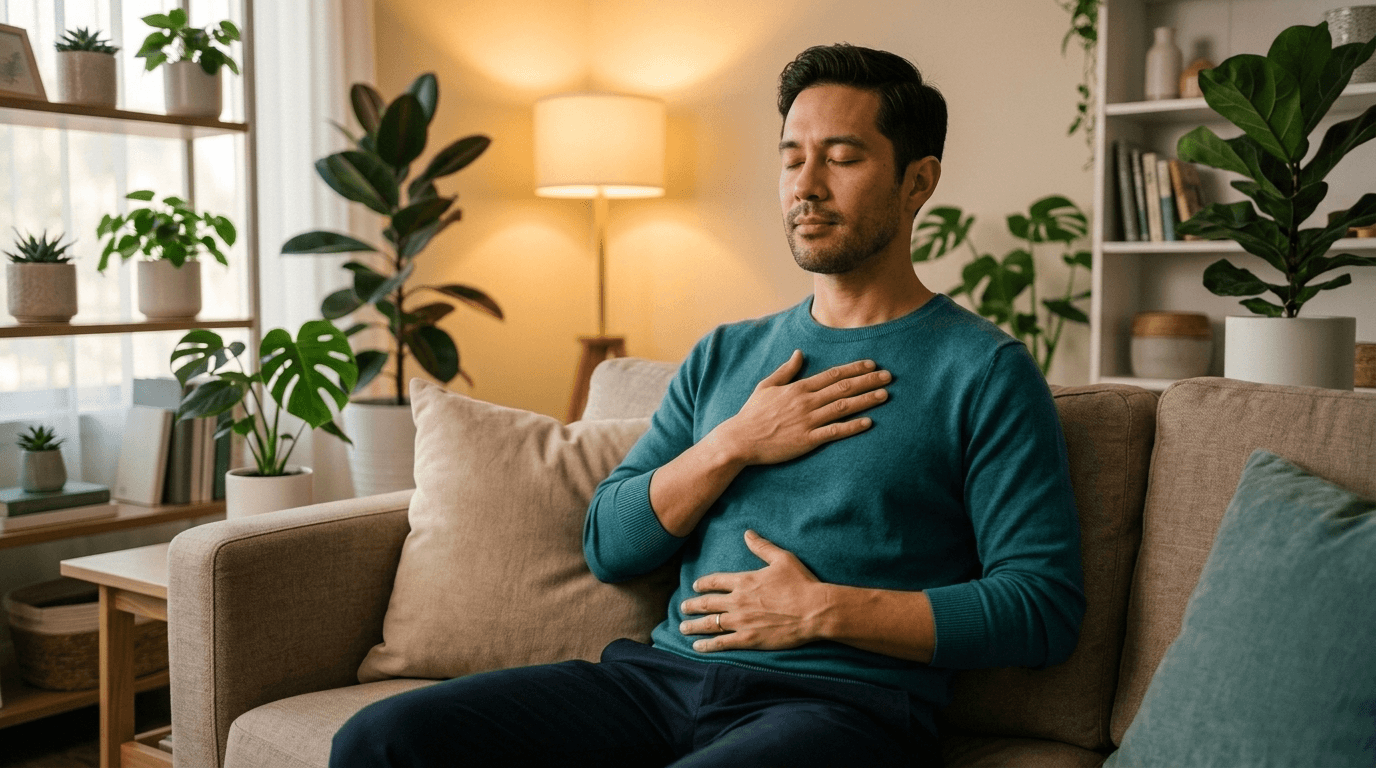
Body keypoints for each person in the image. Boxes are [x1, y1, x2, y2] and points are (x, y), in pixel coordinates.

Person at [331, 43, 1085, 768]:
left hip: (845, 708)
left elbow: (1040, 606)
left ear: (917, 182)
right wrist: (732, 443)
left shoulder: (984, 371)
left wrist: (822, 610)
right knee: (381, 740)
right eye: (792, 156)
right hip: (661, 683)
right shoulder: (726, 354)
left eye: (843, 157)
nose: (806, 184)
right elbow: (609, 545)